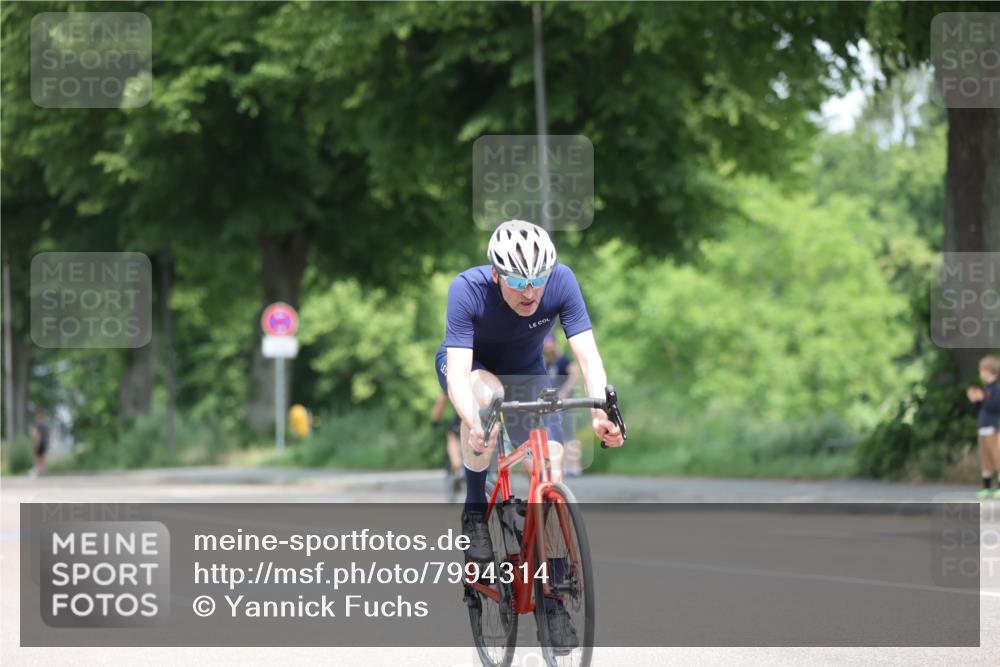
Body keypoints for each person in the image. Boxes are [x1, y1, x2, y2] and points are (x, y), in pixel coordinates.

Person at [436, 219, 623, 649]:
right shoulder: (467, 289)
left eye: (537, 281)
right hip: (472, 369)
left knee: (551, 458)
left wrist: (600, 411)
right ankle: (474, 511)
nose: (530, 292)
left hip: (527, 372)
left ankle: (554, 598)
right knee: (486, 397)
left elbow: (589, 356)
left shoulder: (562, 282)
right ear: (497, 274)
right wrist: (474, 421)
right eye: (518, 280)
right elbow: (460, 375)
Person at [544, 332, 583, 476]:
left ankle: (575, 467)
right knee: (557, 432)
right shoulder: (547, 362)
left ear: (554, 343)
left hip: (566, 401)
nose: (547, 346)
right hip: (554, 403)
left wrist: (565, 390)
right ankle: (566, 466)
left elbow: (574, 373)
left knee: (569, 432)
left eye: (550, 342)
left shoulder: (563, 360)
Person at [967, 355, 1000, 500]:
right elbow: (982, 409)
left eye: (982, 371)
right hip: (983, 429)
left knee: (998, 458)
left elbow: (995, 407)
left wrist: (982, 399)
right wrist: (975, 401)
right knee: (986, 460)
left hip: (995, 429)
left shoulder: (997, 389)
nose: (980, 374)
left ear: (989, 371)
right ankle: (986, 487)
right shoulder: (986, 390)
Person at [431, 391, 463, 494]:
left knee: (452, 437)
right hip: (483, 418)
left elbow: (440, 403)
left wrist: (435, 422)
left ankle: (457, 467)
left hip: (461, 419)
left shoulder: (452, 378)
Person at [29, 407, 50, 478]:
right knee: (42, 456)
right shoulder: (46, 423)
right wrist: (48, 442)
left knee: (36, 456)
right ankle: (44, 470)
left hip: (40, 442)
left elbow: (38, 435)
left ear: (39, 415)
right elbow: (49, 433)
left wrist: (37, 444)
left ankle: (37, 470)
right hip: (45, 442)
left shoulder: (38, 424)